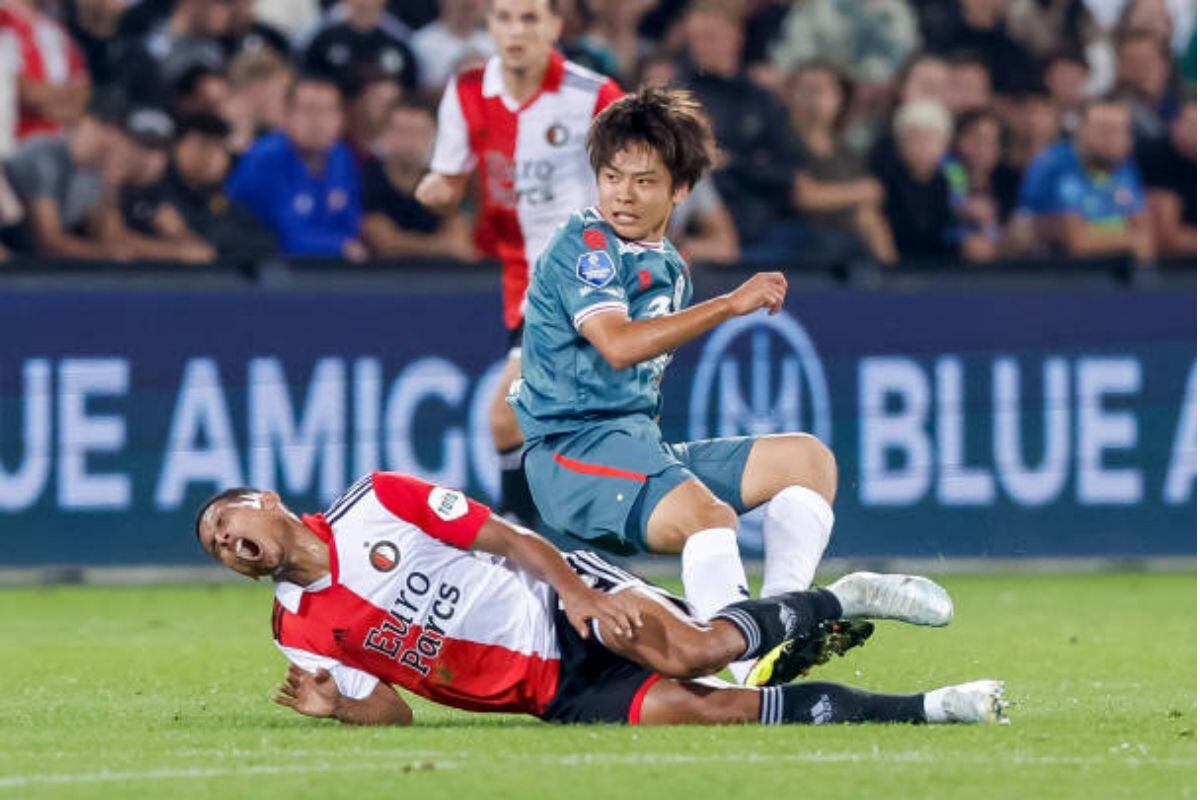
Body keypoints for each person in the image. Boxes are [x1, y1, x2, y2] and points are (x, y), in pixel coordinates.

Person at [194, 474, 1009, 727]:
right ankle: (935, 709)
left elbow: (511, 539)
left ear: (267, 502)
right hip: (551, 694)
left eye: (230, 524)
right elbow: (398, 719)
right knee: (719, 712)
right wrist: (337, 708)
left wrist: (578, 591)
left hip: (559, 607)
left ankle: (837, 596)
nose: (231, 545)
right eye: (218, 548)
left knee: (698, 651)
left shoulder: (375, 503)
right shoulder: (298, 631)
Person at [512, 86, 843, 690]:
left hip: (635, 448)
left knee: (807, 461)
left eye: (643, 181)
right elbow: (616, 343)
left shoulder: (667, 263)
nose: (622, 194)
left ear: (680, 190)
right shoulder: (585, 246)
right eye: (612, 177)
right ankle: (745, 659)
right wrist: (730, 304)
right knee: (706, 517)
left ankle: (781, 620)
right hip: (572, 455)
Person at [415, 0, 622, 528]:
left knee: (506, 417)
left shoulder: (593, 96)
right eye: (504, 18)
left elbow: (641, 172)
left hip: (588, 276)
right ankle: (557, 547)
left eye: (529, 18)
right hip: (524, 283)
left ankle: (524, 548)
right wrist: (437, 189)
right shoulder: (467, 93)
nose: (516, 31)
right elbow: (450, 178)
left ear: (555, 27)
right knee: (539, 428)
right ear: (489, 27)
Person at [226, 74, 366, 260]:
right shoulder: (264, 158)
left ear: (341, 119)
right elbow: (284, 235)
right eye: (308, 110)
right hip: (266, 273)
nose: (318, 121)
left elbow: (350, 225)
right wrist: (341, 246)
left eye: (328, 111)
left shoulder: (342, 157)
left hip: (330, 273)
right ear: (286, 116)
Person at [1015, 95, 1154, 262]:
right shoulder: (1054, 165)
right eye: (1102, 130)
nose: (1109, 140)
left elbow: (1146, 240)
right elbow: (1077, 243)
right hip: (1055, 275)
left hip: (1112, 275)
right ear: (1081, 131)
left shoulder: (1125, 168)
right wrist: (1128, 237)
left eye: (1117, 130)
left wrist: (1095, 234)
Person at [361, 102, 476, 259]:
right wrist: (440, 246)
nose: (411, 141)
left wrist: (403, 243)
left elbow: (458, 243)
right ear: (384, 134)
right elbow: (383, 241)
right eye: (402, 132)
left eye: (420, 132)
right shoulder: (367, 176)